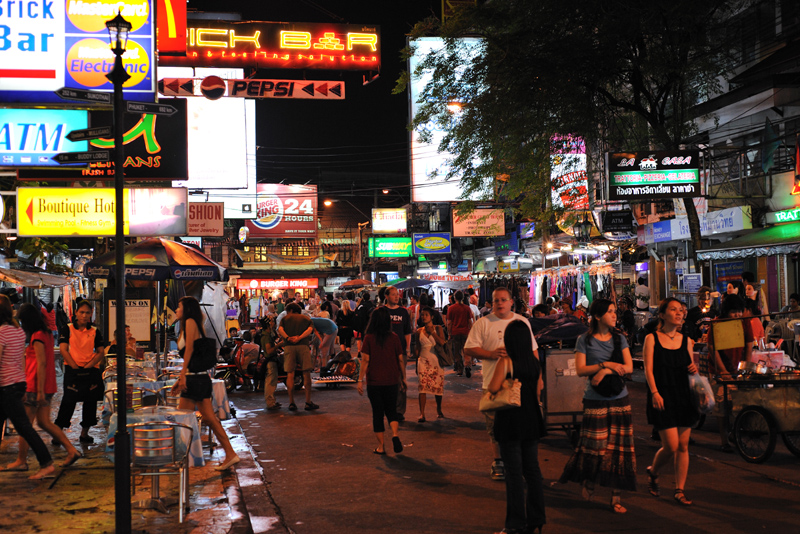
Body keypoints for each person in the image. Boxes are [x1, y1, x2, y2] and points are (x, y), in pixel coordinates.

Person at [559, 298, 636, 514]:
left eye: (615, 312)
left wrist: (606, 370)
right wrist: (606, 364)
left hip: (620, 398)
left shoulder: (620, 338)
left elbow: (629, 367)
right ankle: (589, 480)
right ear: (599, 316)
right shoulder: (584, 340)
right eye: (610, 312)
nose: (614, 315)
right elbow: (581, 369)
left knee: (619, 449)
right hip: (594, 399)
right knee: (596, 445)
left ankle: (616, 495)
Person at [465, 287, 537, 481]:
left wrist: (537, 380)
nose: (500, 303)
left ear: (511, 301)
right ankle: (498, 461)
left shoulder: (521, 322)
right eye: (496, 300)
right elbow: (469, 348)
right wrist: (490, 354)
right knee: (494, 426)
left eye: (504, 300)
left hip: (520, 385)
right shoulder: (483, 323)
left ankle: (519, 465)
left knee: (520, 427)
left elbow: (534, 352)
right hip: (493, 383)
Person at [489, 320, 546, 534]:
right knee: (532, 471)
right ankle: (536, 520)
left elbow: (494, 387)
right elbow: (538, 390)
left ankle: (515, 524)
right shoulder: (534, 363)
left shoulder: (506, 362)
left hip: (510, 420)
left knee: (514, 474)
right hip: (531, 419)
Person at [10, 304, 82, 470]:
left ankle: (21, 460)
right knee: (44, 422)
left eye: (22, 321)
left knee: (25, 425)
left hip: (36, 386)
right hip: (45, 385)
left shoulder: (38, 336)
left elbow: (41, 364)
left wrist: (40, 391)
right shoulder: (47, 334)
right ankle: (71, 450)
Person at [171, 296, 239, 470]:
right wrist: (182, 376)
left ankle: (181, 458)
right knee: (208, 419)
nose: (176, 310)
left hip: (195, 378)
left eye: (178, 307)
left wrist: (182, 376)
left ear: (186, 309)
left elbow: (190, 350)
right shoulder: (190, 324)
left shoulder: (190, 323)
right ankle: (229, 454)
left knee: (183, 419)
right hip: (197, 378)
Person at [643, 298, 699, 507]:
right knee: (671, 445)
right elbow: (648, 369)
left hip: (684, 395)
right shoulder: (652, 338)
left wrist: (694, 368)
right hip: (662, 394)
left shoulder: (687, 340)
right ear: (662, 314)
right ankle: (654, 471)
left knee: (683, 445)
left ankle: (679, 490)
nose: (679, 313)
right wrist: (655, 392)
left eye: (681, 310)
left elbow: (691, 367)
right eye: (673, 310)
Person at [0, 295, 55, 479]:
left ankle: (46, 462)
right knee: (27, 426)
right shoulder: (18, 332)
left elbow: (1, 360)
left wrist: (34, 389)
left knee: (26, 426)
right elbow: (20, 360)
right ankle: (40, 461)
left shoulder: (3, 333)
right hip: (17, 383)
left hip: (7, 386)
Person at [54, 299, 105, 444]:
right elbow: (63, 349)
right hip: (73, 370)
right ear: (76, 313)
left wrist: (89, 366)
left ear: (91, 314)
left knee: (90, 402)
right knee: (68, 402)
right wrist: (75, 367)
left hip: (91, 371)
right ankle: (58, 434)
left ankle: (84, 434)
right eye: (81, 312)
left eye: (87, 313)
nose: (84, 315)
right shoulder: (67, 328)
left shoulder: (95, 331)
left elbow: (100, 352)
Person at [356, 307, 406, 455]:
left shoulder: (369, 338)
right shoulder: (395, 337)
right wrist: (403, 378)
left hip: (374, 382)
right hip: (392, 380)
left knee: (377, 414)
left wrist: (359, 380)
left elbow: (365, 360)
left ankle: (381, 447)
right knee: (391, 411)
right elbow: (400, 360)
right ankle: (395, 435)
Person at [708, 294, 753, 451]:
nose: (737, 315)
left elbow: (749, 346)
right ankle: (724, 441)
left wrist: (745, 368)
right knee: (722, 407)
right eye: (734, 311)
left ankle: (735, 433)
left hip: (738, 370)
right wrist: (723, 371)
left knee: (739, 404)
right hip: (719, 371)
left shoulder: (745, 323)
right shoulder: (716, 324)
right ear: (726, 311)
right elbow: (713, 350)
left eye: (740, 311)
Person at [277, 303, 319, 411]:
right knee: (306, 373)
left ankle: (291, 402)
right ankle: (308, 402)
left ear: (290, 310)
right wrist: (299, 338)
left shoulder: (285, 319)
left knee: (290, 374)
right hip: (303, 346)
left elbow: (280, 330)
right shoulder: (306, 318)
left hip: (289, 347)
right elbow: (309, 331)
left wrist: (288, 338)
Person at [383, 287, 413, 420]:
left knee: (401, 380)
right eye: (393, 295)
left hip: (400, 351)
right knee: (386, 380)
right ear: (386, 296)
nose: (396, 297)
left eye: (397, 295)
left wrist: (407, 348)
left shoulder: (403, 312)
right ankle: (388, 408)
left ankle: (399, 411)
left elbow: (407, 332)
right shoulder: (381, 312)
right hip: (384, 352)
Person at [415, 307, 446, 422]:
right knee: (422, 388)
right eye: (422, 315)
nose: (424, 317)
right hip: (423, 361)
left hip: (436, 361)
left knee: (437, 387)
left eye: (426, 315)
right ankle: (422, 413)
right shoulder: (419, 331)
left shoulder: (438, 329)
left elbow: (442, 342)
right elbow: (417, 348)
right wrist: (416, 363)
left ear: (432, 316)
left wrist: (432, 332)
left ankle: (439, 408)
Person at [447, 291, 474, 377]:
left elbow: (449, 323)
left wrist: (449, 333)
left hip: (455, 332)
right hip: (465, 332)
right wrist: (472, 332)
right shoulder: (467, 308)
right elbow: (470, 321)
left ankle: (459, 370)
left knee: (457, 352)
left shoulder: (451, 308)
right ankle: (467, 365)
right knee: (466, 350)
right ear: (463, 298)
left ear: (454, 298)